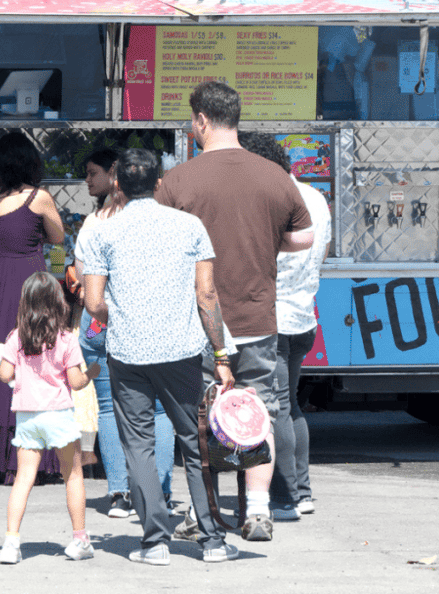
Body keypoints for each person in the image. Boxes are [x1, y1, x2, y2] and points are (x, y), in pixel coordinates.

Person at [156, 81, 312, 544]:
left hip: (201, 326)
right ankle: (259, 512)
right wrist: (268, 241)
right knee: (257, 412)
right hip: (259, 320)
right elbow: (303, 237)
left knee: (202, 418)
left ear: (201, 120)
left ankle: (202, 513)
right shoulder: (273, 176)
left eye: (192, 120)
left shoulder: (179, 181)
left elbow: (164, 251)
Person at [84, 149, 236, 567]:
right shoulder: (189, 226)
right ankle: (212, 540)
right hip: (182, 352)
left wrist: (125, 316)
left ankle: (154, 542)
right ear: (159, 182)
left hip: (128, 353)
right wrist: (220, 354)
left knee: (139, 445)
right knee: (196, 443)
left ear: (117, 185)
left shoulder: (101, 232)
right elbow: (206, 295)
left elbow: (94, 302)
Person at [70, 149, 178, 519]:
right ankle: (159, 491)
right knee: (160, 410)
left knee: (109, 408)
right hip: (152, 321)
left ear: (115, 184)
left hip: (101, 323)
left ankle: (119, 494)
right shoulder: (172, 224)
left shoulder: (95, 225)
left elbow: (85, 280)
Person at [238, 131, 331, 519]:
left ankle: (285, 498)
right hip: (304, 317)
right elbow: (321, 251)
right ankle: (303, 492)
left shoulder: (269, 201)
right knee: (290, 404)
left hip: (272, 320)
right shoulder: (316, 198)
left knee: (272, 411)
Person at [0, 131, 65, 480]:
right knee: (30, 366)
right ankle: (24, 457)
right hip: (26, 288)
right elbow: (58, 237)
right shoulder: (39, 198)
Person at [0, 272, 100, 564]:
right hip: (59, 415)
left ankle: (11, 542)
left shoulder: (16, 336)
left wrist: (23, 375)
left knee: (23, 478)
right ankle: (80, 539)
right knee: (73, 475)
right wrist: (92, 372)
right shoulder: (66, 339)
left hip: (28, 416)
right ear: (58, 303)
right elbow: (76, 382)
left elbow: (4, 373)